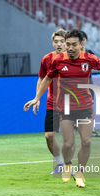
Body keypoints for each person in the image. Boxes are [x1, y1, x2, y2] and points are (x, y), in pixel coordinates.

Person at [24, 28, 100, 188]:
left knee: (86, 142)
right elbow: (46, 79)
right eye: (68, 44)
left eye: (74, 44)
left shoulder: (89, 59)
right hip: (65, 107)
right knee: (68, 144)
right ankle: (66, 165)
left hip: (85, 106)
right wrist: (37, 98)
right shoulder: (58, 61)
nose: (70, 47)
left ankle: (79, 172)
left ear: (81, 44)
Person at [32, 29, 75, 175]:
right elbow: (42, 78)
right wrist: (37, 98)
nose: (59, 44)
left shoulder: (74, 59)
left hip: (70, 103)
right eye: (56, 41)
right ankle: (60, 163)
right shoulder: (47, 59)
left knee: (69, 139)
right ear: (52, 43)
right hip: (52, 102)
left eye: (62, 41)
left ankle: (69, 165)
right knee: (49, 136)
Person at [80, 31, 100, 138]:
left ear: (86, 41)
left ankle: (91, 130)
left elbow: (95, 66)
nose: (81, 42)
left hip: (88, 85)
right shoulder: (71, 54)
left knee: (90, 108)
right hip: (74, 86)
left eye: (83, 40)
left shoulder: (90, 53)